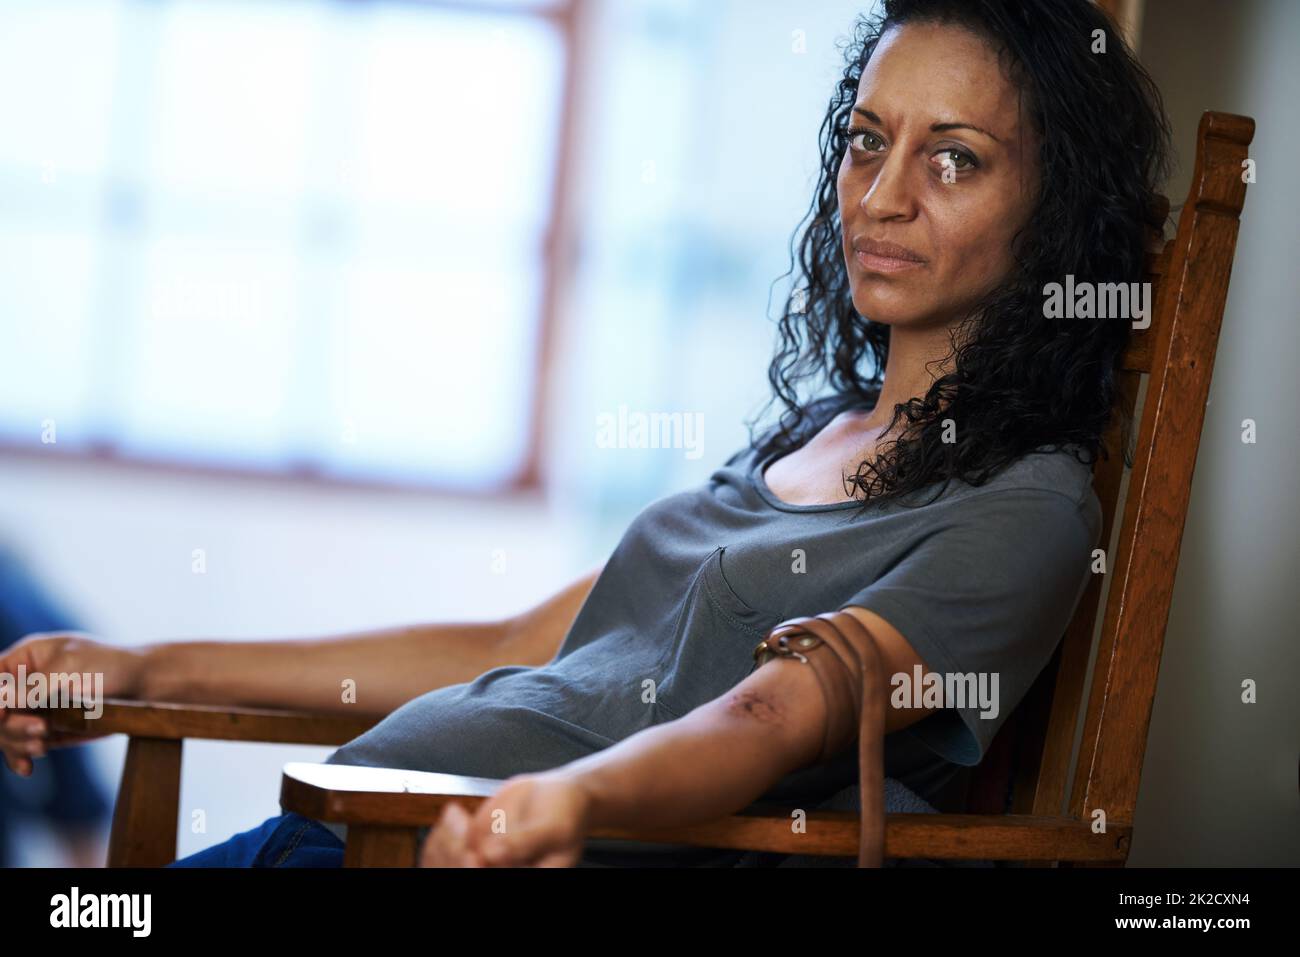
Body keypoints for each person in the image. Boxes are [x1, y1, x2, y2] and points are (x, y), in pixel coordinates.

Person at [0, 0, 1172, 868]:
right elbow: (525, 640)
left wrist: (566, 801)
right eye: (867, 141)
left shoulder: (1025, 508)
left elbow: (768, 718)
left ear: (1055, 210)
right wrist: (140, 667)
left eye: (953, 159)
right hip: (350, 830)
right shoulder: (799, 445)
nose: (880, 195)